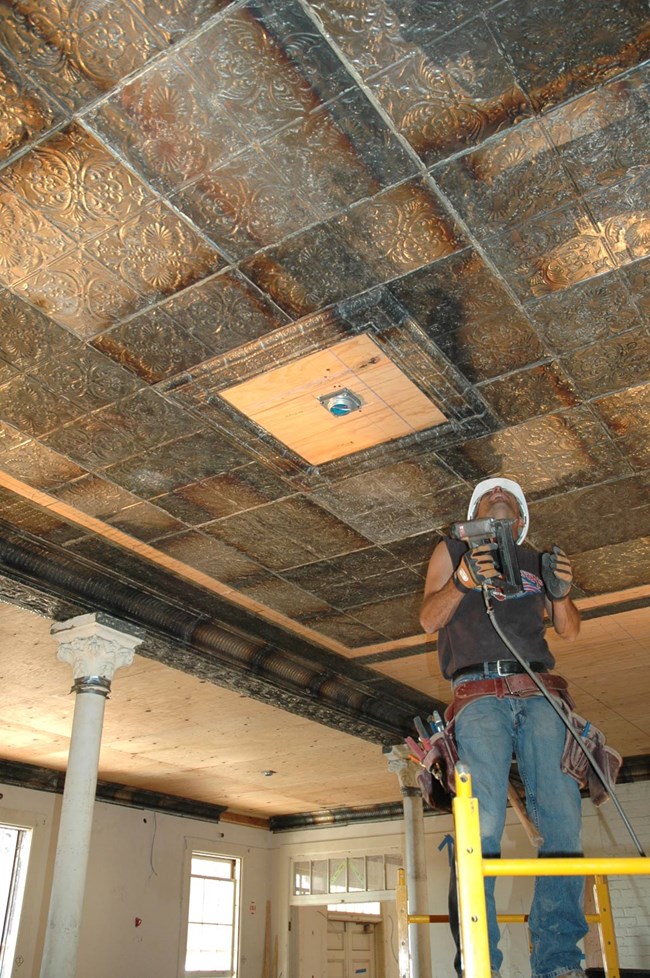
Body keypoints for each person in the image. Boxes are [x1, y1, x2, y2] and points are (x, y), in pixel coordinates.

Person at [420, 477, 586, 978]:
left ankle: (558, 961)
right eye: (492, 499)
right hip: (478, 695)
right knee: (481, 826)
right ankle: (480, 960)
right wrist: (463, 582)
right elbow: (429, 618)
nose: (501, 500)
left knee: (562, 818)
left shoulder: (538, 561)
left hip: (539, 691)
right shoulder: (453, 550)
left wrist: (559, 594)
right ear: (475, 512)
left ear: (520, 521)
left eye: (510, 501)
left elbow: (570, 629)